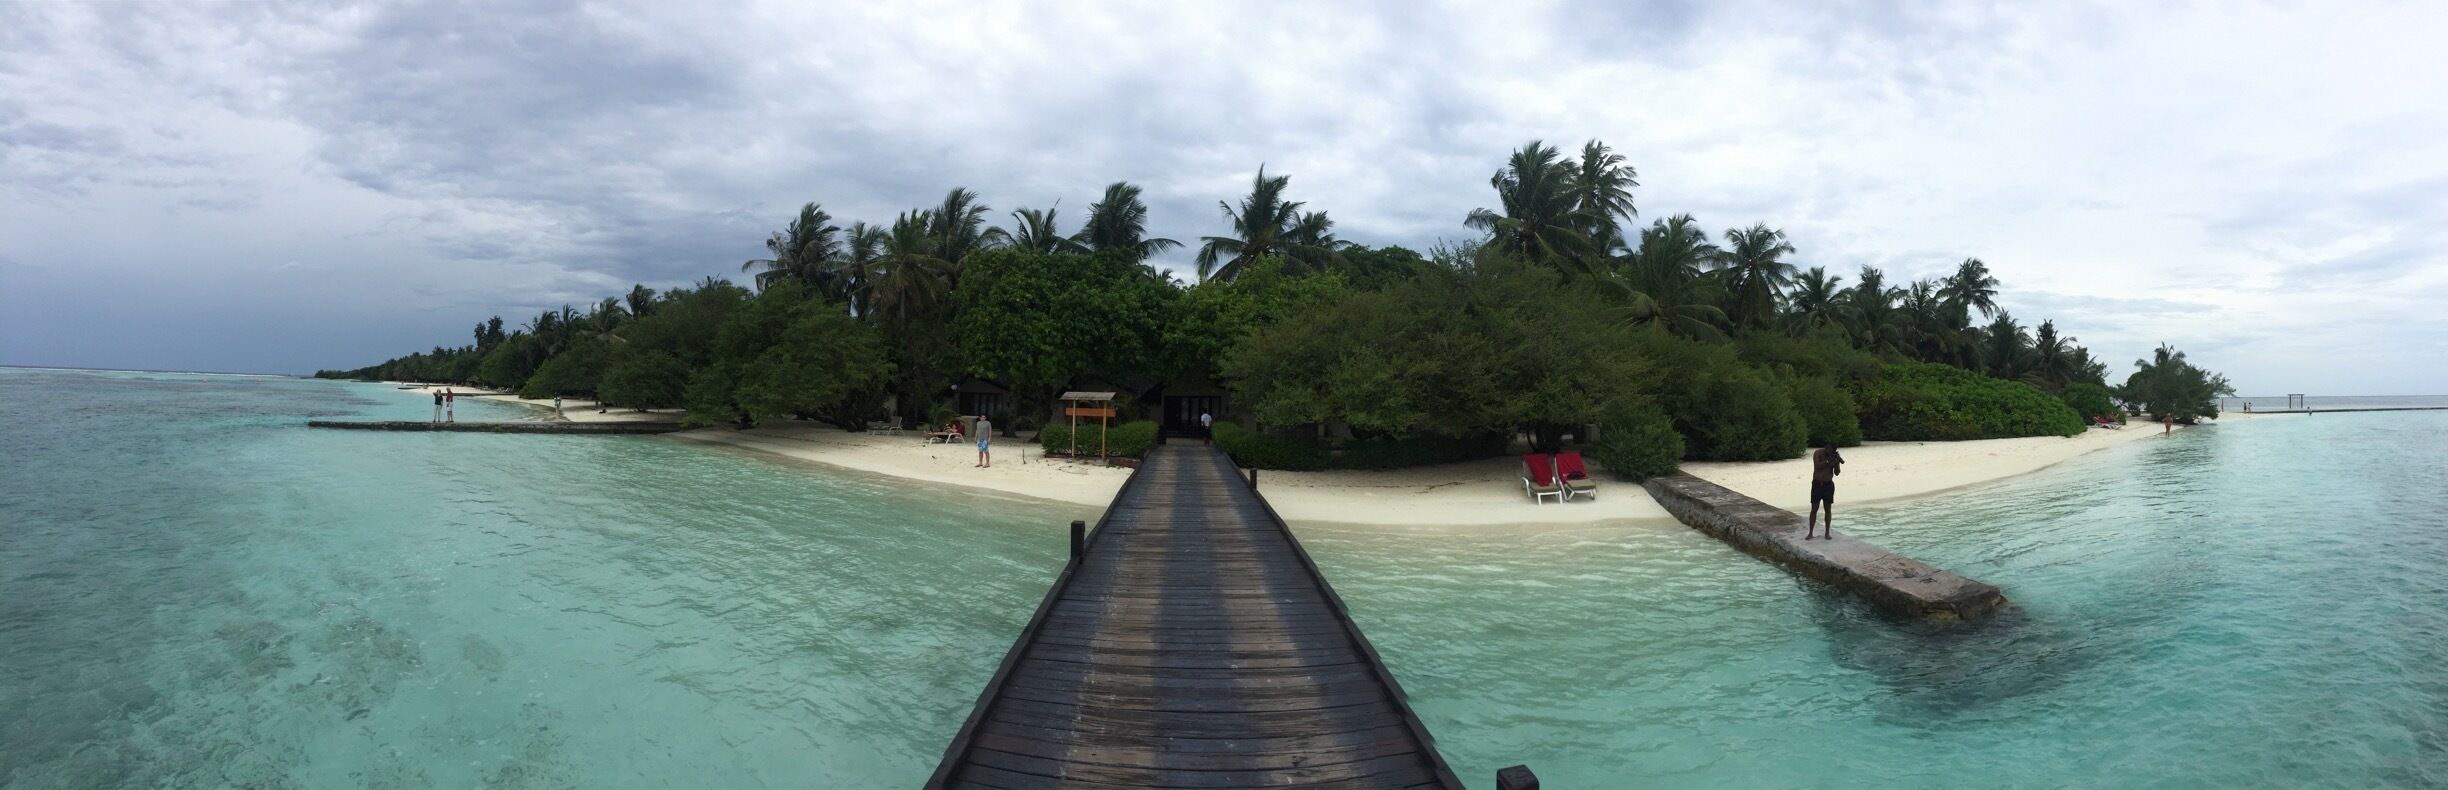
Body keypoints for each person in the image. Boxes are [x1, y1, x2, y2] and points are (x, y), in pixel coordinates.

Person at [1806, 443, 1842, 540]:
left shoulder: (1834, 456)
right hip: (1817, 484)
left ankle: (1827, 533)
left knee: (1828, 509)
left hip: (1828, 485)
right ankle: (1810, 533)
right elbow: (1817, 466)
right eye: (1827, 448)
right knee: (1814, 509)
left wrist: (1836, 464)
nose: (1828, 451)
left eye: (1830, 450)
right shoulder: (1818, 453)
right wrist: (1827, 461)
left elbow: (1837, 473)